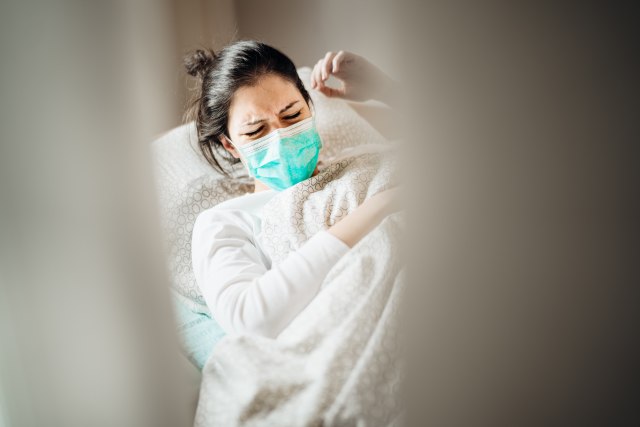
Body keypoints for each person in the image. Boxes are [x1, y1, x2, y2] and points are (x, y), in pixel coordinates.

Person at [188, 40, 399, 338]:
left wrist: (385, 89)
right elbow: (250, 320)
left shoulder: (359, 162)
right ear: (230, 145)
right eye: (256, 131)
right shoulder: (226, 222)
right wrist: (381, 205)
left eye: (292, 115)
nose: (281, 136)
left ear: (309, 109)